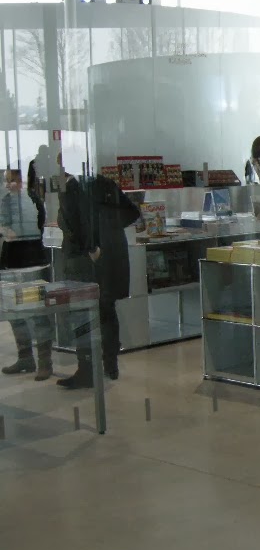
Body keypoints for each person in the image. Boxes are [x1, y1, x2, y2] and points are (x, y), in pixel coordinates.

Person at [57, 158, 141, 387]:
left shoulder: (70, 191)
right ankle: (110, 364)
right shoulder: (103, 183)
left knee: (84, 313)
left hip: (89, 261)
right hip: (112, 256)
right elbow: (132, 213)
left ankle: (87, 369)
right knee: (106, 309)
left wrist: (93, 247)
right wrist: (109, 229)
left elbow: (76, 228)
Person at [1, 169, 53, 381]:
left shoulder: (33, 200)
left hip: (32, 264)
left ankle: (44, 362)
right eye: (6, 181)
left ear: (21, 181)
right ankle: (25, 357)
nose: (8, 185)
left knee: (38, 314)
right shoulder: (5, 201)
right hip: (11, 264)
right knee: (15, 314)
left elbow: (39, 225)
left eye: (11, 180)